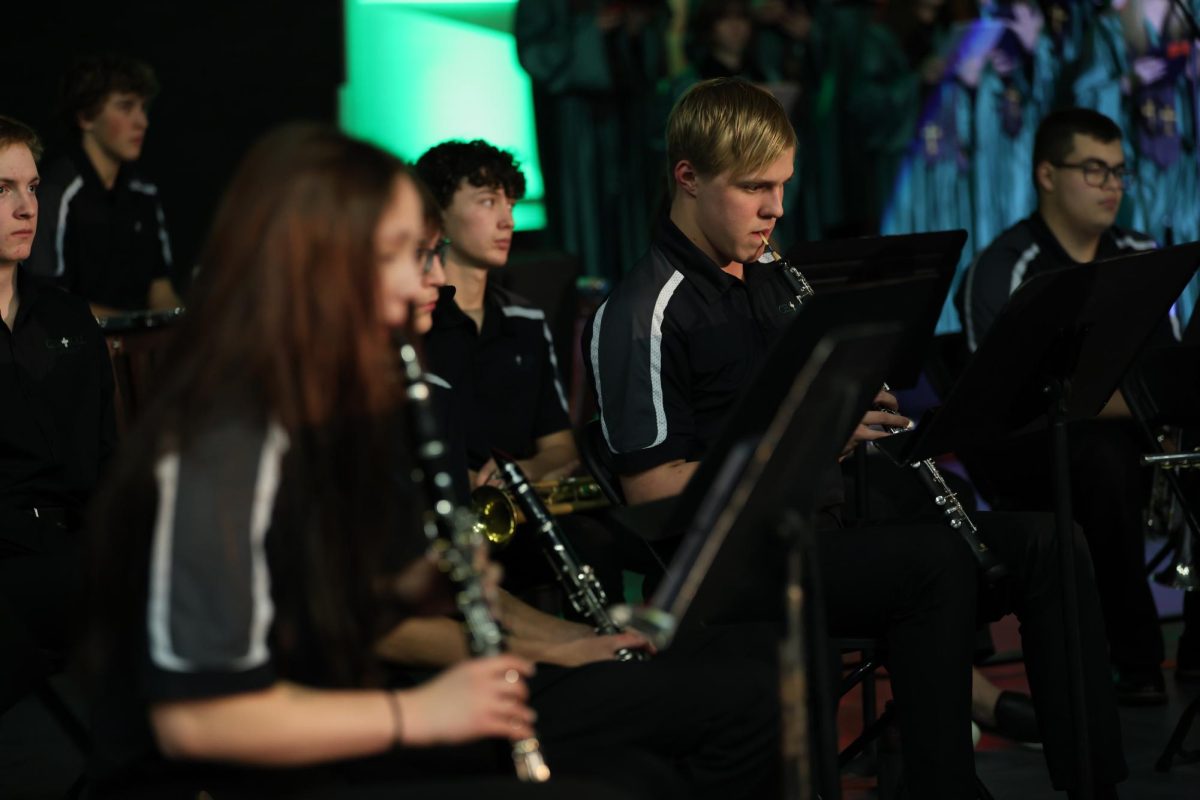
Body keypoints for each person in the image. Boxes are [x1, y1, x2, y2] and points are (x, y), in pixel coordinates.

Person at [86, 123, 778, 800]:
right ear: (317, 265)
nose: (428, 280)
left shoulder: (343, 407)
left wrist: (428, 584)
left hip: (354, 725)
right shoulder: (229, 440)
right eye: (401, 256)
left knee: (649, 769)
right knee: (656, 756)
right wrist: (424, 713)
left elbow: (340, 603)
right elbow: (200, 720)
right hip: (273, 765)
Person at [584, 77, 1126, 799]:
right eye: (753, 189)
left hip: (830, 520)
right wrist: (815, 441)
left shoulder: (774, 276)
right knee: (932, 563)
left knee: (1051, 541)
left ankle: (1095, 782)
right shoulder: (642, 312)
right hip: (734, 561)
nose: (776, 209)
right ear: (687, 178)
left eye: (782, 185)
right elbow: (654, 496)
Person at [957, 107, 1170, 704]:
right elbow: (1001, 400)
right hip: (1023, 448)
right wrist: (1141, 405)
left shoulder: (1139, 249)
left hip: (1124, 434)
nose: (1112, 187)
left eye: (1120, 172)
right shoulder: (1005, 267)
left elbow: (1170, 369)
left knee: (1124, 449)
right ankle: (1136, 659)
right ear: (1047, 174)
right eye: (1095, 170)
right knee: (1103, 458)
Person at [0, 114, 117, 796]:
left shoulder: (67, 318)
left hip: (75, 546)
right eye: (4, 187)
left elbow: (105, 458)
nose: (25, 206)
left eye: (33, 186)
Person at [24, 53, 182, 316]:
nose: (143, 121)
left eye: (143, 108)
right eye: (126, 107)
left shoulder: (144, 194)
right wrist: (131, 330)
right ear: (86, 117)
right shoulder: (54, 193)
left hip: (139, 351)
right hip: (77, 351)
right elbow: (48, 300)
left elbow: (161, 291)